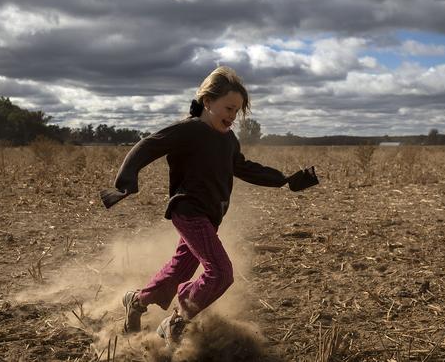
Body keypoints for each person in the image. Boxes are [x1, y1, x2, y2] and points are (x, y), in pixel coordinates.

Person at [100, 66, 318, 347]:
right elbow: (147, 146)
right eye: (228, 108)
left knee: (179, 271)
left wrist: (284, 180)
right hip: (188, 210)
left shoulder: (228, 140)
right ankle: (176, 321)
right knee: (221, 272)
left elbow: (243, 167)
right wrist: (125, 183)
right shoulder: (189, 130)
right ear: (207, 102)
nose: (232, 116)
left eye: (237, 111)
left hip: (210, 216)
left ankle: (136, 301)